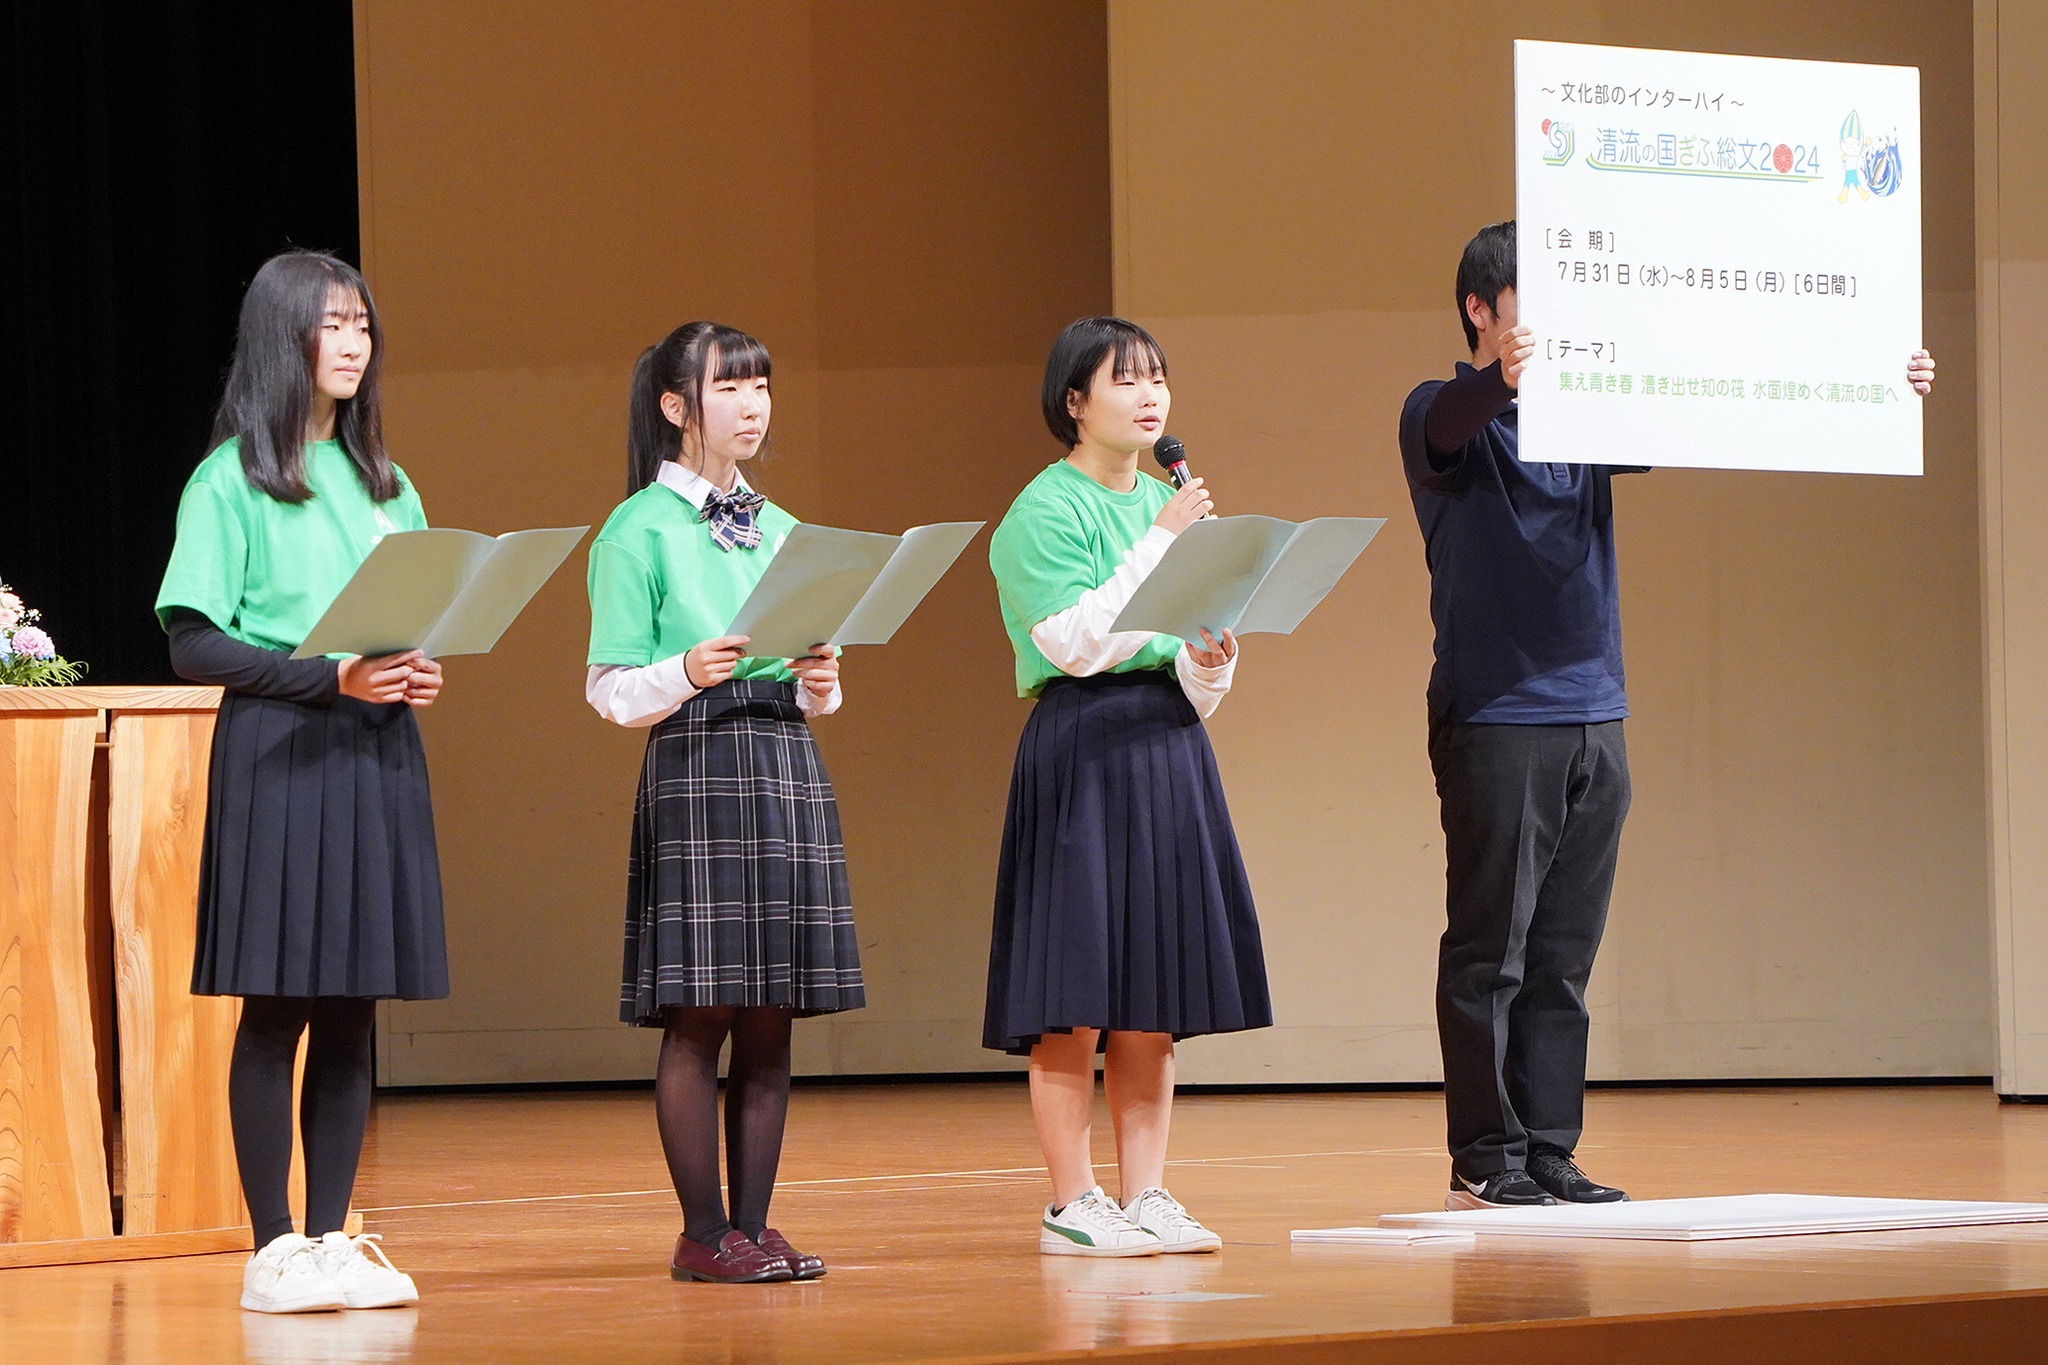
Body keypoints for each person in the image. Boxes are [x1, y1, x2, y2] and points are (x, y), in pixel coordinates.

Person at [1399, 220, 1937, 1210]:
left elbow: (1736, 403)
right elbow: (1450, 421)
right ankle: (1485, 1153)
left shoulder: (1586, 411)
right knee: (1491, 945)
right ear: (1481, 308)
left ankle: (1548, 1148)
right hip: (1495, 712)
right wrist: (1507, 377)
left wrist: (1876, 381)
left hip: (1594, 708)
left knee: (1563, 951)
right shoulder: (1441, 411)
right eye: (1531, 299)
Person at [156, 249, 442, 1313]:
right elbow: (193, 642)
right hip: (280, 751)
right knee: (277, 1003)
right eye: (333, 323)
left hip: (375, 753)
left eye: (364, 322)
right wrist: (332, 676)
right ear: (286, 336)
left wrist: (409, 664)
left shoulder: (387, 484)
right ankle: (272, 1245)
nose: (355, 341)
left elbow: (401, 615)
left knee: (352, 1005)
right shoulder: (232, 476)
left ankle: (332, 1234)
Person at [985, 316, 1271, 1258]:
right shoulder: (1043, 511)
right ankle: (1073, 1200)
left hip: (1166, 745)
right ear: (1075, 401)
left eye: (1158, 379)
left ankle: (1147, 1193)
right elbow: (1073, 643)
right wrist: (1158, 540)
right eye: (1126, 381)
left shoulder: (1166, 500)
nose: (1151, 397)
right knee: (1075, 991)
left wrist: (1210, 657)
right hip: (1082, 747)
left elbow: (1180, 662)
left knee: (1152, 991)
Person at [585, 321, 861, 1284]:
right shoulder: (636, 531)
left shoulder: (783, 527)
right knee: (700, 1013)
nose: (754, 406)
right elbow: (611, 689)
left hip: (783, 760)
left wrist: (823, 673)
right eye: (731, 388)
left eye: (761, 387)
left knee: (772, 1012)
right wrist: (684, 670)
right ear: (677, 407)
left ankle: (753, 1224)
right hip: (700, 760)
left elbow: (814, 686)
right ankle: (703, 1232)